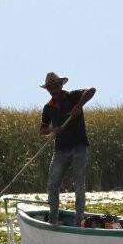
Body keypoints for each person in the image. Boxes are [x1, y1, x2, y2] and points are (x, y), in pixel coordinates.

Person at [39, 72, 96, 226]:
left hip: (79, 147)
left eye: (56, 86)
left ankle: (79, 221)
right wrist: (52, 129)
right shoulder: (48, 107)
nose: (54, 89)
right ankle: (53, 219)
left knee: (78, 183)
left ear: (61, 85)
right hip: (60, 151)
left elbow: (91, 90)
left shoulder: (73, 96)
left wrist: (79, 105)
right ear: (48, 90)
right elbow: (42, 129)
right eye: (50, 87)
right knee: (53, 184)